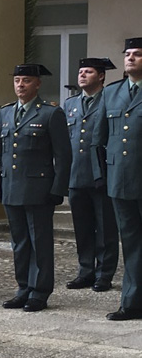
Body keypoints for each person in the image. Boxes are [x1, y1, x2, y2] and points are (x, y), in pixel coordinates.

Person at [0, 63, 71, 312]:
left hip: (39, 189)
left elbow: (64, 155)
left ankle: (39, 291)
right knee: (20, 242)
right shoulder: (5, 113)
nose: (20, 85)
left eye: (26, 80)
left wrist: (58, 189)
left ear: (37, 84)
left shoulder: (49, 113)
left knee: (40, 242)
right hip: (12, 186)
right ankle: (23, 287)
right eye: (17, 80)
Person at [93, 37, 142, 320]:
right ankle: (131, 302)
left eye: (137, 54)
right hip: (121, 181)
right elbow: (99, 140)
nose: (131, 58)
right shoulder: (111, 94)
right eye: (128, 54)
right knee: (132, 243)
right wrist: (102, 176)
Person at [65, 57, 119, 292]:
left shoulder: (110, 100)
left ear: (101, 76)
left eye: (88, 72)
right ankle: (85, 271)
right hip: (76, 174)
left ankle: (104, 274)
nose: (82, 75)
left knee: (106, 227)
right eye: (81, 71)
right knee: (82, 227)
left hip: (102, 173)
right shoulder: (70, 105)